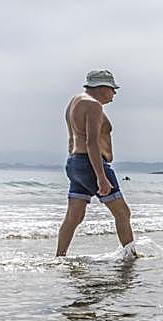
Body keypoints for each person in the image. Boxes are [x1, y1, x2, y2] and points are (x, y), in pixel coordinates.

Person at [56, 70, 135, 257]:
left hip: (76, 162)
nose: (114, 94)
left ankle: (60, 257)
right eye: (112, 89)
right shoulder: (93, 106)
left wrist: (75, 164)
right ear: (101, 88)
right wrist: (101, 177)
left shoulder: (75, 101)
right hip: (91, 164)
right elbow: (91, 142)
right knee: (123, 213)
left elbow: (72, 138)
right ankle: (131, 257)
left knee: (74, 216)